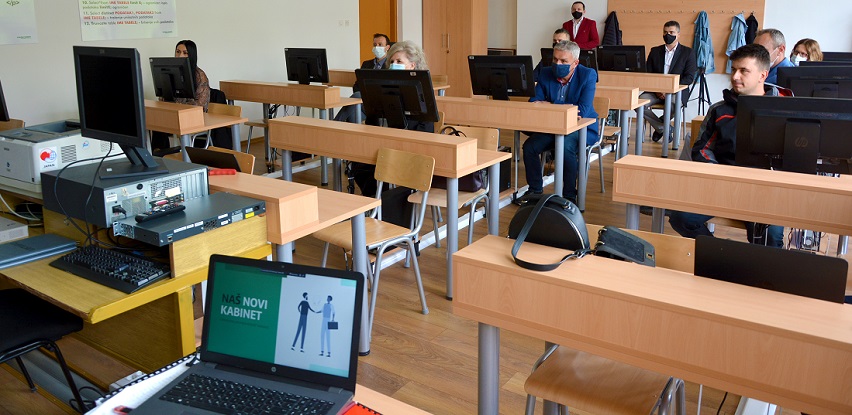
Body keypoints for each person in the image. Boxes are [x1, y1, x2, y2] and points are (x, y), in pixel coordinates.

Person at [669, 44, 790, 248]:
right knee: (681, 218)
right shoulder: (719, 110)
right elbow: (702, 149)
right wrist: (721, 175)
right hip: (723, 187)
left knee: (769, 236)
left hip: (764, 192)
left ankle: (759, 265)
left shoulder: (783, 111)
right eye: (733, 69)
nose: (735, 76)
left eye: (744, 71)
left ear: (762, 75)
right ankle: (720, 252)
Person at [517, 40, 598, 206]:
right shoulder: (546, 73)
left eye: (563, 61)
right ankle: (535, 191)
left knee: (567, 146)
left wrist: (551, 104)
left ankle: (569, 196)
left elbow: (581, 110)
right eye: (555, 59)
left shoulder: (588, 75)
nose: (557, 64)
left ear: (575, 63)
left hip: (582, 128)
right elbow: (534, 101)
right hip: (553, 126)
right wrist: (562, 107)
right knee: (530, 146)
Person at [351, 40, 434, 196]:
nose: (394, 64)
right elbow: (372, 119)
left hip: (411, 146)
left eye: (399, 61)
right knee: (359, 164)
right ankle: (378, 202)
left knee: (387, 166)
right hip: (384, 144)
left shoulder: (422, 91)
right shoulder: (382, 87)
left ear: (412, 65)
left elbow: (426, 129)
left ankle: (385, 202)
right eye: (392, 62)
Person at [640, 21, 697, 143]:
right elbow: (647, 74)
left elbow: (689, 78)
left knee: (673, 104)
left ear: (678, 34)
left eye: (671, 32)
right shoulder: (655, 51)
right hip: (655, 91)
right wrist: (657, 90)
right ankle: (663, 128)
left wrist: (669, 90)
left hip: (676, 92)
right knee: (638, 102)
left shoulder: (688, 53)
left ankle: (660, 128)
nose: (668, 35)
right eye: (665, 32)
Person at [151, 40, 211, 151]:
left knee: (165, 121)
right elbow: (163, 97)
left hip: (193, 116)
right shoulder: (171, 72)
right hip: (175, 114)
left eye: (185, 53)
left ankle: (165, 152)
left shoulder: (199, 75)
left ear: (191, 55)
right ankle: (159, 153)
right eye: (178, 52)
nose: (180, 56)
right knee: (157, 121)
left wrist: (179, 108)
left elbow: (201, 104)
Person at [333, 33, 391, 124]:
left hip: (380, 105)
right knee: (354, 109)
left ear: (387, 47)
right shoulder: (366, 64)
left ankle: (335, 123)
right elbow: (357, 85)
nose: (377, 47)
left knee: (356, 99)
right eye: (374, 45)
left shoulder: (390, 66)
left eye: (380, 45)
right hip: (364, 103)